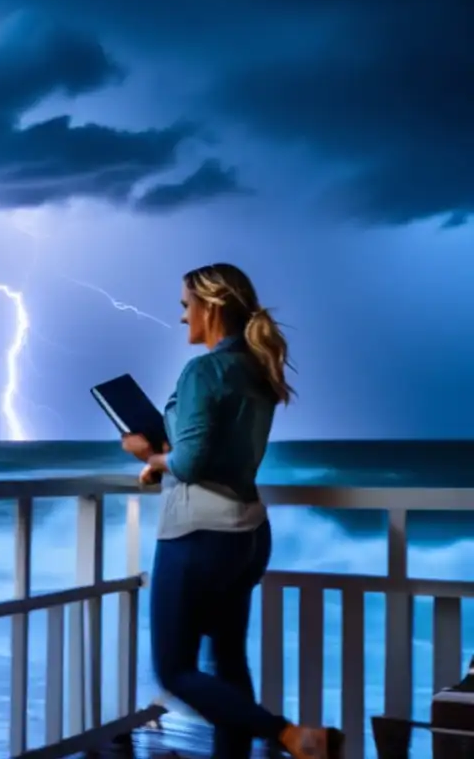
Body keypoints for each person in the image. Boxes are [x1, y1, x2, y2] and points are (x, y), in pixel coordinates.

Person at [121, 263, 343, 759]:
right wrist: (169, 456)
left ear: (211, 306)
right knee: (227, 662)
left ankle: (292, 736)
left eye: (185, 306)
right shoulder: (255, 367)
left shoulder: (204, 370)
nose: (182, 318)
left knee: (175, 669)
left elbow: (193, 461)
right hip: (247, 533)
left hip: (198, 534)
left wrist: (149, 455)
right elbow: (212, 449)